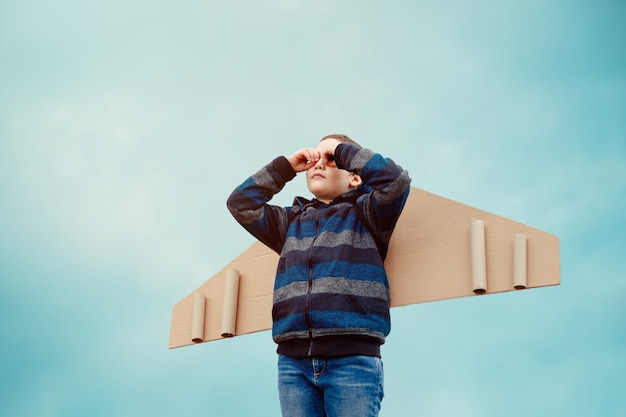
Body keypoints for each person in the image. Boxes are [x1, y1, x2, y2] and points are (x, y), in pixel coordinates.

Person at [227, 134, 411, 417]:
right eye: (316, 158)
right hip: (293, 362)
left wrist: (342, 150)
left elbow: (396, 182)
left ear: (355, 178)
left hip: (352, 359)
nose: (319, 164)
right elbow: (240, 204)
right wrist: (286, 167)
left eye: (331, 160)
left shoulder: (368, 214)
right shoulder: (289, 223)